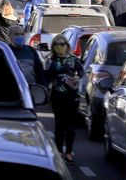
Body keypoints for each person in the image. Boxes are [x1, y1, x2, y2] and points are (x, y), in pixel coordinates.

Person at [47, 33, 83, 164]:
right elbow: (47, 76)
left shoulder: (73, 59)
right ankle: (58, 151)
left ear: (67, 45)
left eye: (62, 44)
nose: (60, 47)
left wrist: (77, 77)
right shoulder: (51, 60)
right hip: (57, 96)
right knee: (59, 124)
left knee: (71, 126)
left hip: (72, 96)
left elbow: (81, 71)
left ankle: (69, 152)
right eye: (57, 44)